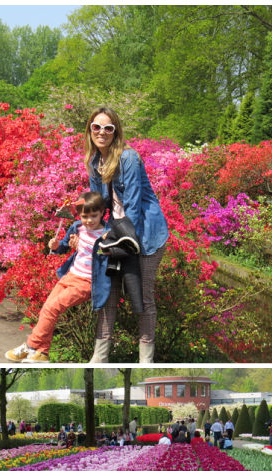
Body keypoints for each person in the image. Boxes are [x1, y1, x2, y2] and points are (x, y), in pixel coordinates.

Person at [83, 107, 169, 363]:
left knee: (142, 296)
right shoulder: (94, 162)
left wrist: (125, 241)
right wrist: (80, 220)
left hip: (144, 235)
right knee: (108, 291)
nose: (102, 132)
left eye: (108, 128)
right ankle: (99, 358)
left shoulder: (128, 158)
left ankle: (146, 358)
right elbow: (99, 204)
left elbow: (132, 206)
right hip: (117, 231)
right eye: (96, 127)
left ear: (116, 132)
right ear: (89, 130)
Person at [6, 192, 108, 363]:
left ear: (102, 213)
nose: (89, 220)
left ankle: (30, 346)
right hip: (70, 276)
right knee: (47, 308)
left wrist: (96, 249)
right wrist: (56, 245)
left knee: (53, 308)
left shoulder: (106, 233)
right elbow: (62, 248)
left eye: (94, 216)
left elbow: (106, 257)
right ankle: (42, 353)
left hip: (87, 282)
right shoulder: (77, 227)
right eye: (85, 216)